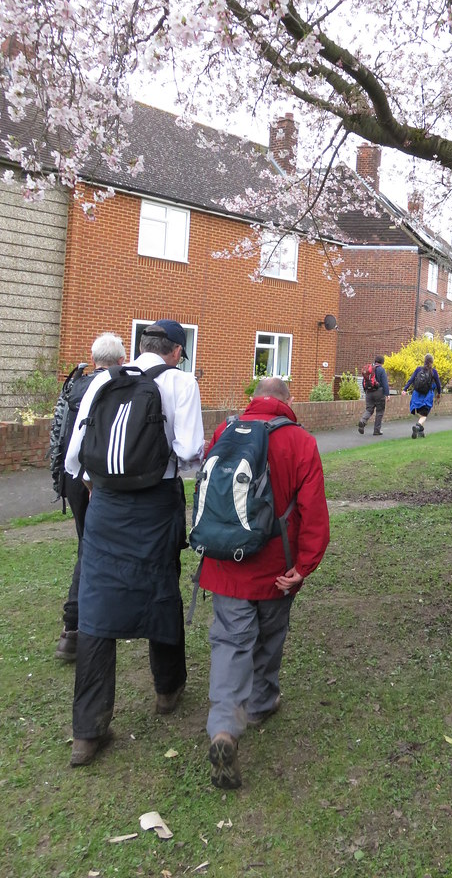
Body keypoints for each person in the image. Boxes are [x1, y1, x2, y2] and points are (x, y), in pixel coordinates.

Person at [64, 319, 205, 766]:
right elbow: (189, 451)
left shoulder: (102, 381)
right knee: (161, 590)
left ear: (141, 345)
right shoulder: (181, 383)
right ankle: (167, 689)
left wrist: (99, 489)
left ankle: (87, 733)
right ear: (176, 351)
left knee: (96, 605)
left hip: (106, 506)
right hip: (155, 505)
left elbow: (75, 458)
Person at [198, 376, 330, 789]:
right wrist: (305, 566)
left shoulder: (225, 431)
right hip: (277, 566)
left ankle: (224, 727)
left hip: (227, 563)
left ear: (254, 399)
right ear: (288, 401)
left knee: (230, 641)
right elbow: (313, 510)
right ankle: (260, 701)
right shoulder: (300, 442)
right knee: (270, 635)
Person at [55, 332, 126, 663]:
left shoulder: (74, 386)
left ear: (94, 357)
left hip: (72, 478)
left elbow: (59, 434)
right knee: (92, 549)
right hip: (95, 478)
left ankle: (80, 625)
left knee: (88, 543)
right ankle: (74, 627)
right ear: (121, 360)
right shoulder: (114, 387)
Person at [402, 353, 441, 438]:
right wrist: (439, 393)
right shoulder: (433, 372)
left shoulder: (418, 369)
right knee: (424, 415)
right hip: (427, 395)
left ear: (424, 361)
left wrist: (405, 389)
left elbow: (411, 380)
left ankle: (421, 431)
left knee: (420, 412)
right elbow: (438, 384)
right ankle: (418, 426)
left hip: (416, 394)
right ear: (432, 362)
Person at [357, 354, 390, 436]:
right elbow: (385, 383)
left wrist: (366, 391)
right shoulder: (381, 370)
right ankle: (377, 430)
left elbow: (364, 381)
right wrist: (387, 394)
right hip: (379, 392)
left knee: (369, 410)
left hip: (369, 392)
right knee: (379, 411)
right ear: (382, 362)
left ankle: (362, 421)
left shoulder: (369, 369)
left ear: (375, 361)